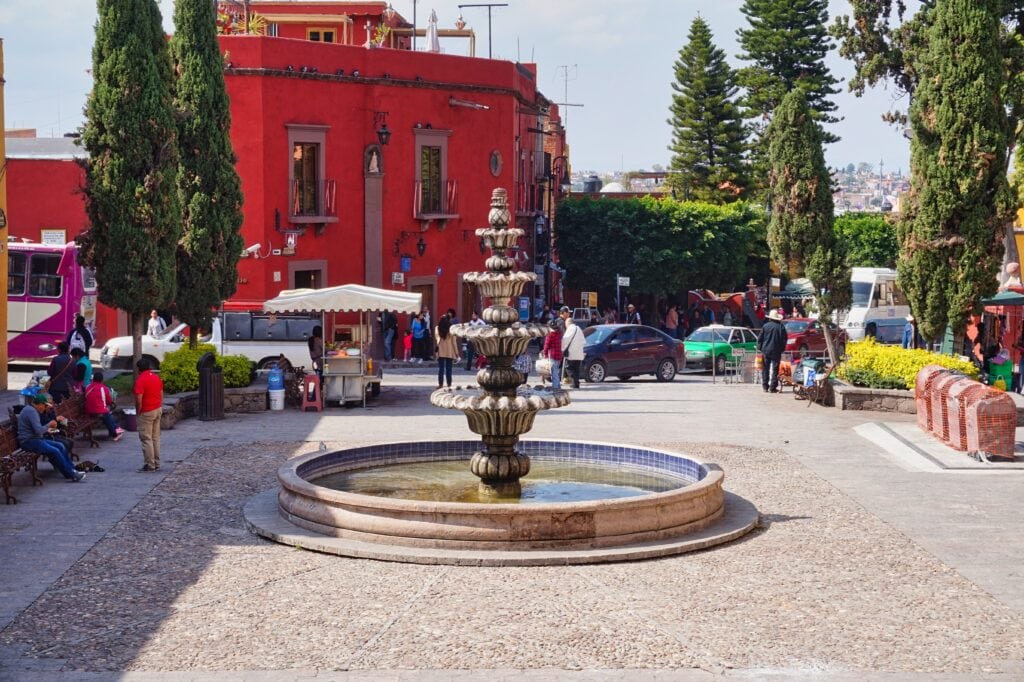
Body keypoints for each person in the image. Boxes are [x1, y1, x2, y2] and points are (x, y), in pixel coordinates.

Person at [18, 393, 84, 482]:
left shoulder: (35, 410)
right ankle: (72, 474)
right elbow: (39, 431)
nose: (47, 407)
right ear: (40, 404)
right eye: (46, 405)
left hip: (37, 438)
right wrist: (50, 425)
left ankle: (72, 469)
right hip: (29, 441)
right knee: (55, 450)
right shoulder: (32, 412)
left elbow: (52, 427)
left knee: (60, 445)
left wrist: (59, 423)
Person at [134, 357, 164, 473]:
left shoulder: (140, 381)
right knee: (155, 438)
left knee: (146, 438)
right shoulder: (156, 377)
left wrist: (138, 412)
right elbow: (161, 393)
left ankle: (150, 465)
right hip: (157, 409)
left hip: (146, 411)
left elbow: (139, 400)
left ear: (138, 369)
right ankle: (156, 463)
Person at [85, 371, 125, 441]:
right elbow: (109, 401)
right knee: (107, 415)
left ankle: (117, 430)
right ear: (102, 380)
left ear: (93, 379)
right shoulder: (103, 388)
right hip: (99, 411)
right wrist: (110, 403)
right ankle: (116, 432)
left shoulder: (88, 387)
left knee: (107, 415)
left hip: (89, 410)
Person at [758, 308, 788, 393]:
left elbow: (760, 338)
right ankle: (772, 387)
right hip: (776, 350)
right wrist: (782, 349)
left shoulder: (765, 326)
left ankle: (765, 386)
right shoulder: (780, 327)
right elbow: (784, 339)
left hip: (766, 350)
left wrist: (760, 348)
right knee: (775, 369)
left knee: (765, 369)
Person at [560, 306, 585, 389]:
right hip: (579, 353)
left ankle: (574, 381)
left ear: (568, 324)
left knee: (569, 368)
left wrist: (562, 349)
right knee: (577, 369)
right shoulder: (579, 328)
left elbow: (565, 340)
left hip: (572, 353)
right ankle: (576, 384)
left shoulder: (570, 329)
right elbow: (583, 341)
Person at [435, 316, 459, 389]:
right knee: (449, 369)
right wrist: (456, 353)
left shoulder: (437, 328)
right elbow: (454, 342)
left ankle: (440, 384)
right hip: (449, 351)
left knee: (441, 369)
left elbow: (436, 338)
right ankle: (449, 384)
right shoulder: (451, 330)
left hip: (441, 350)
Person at [542, 317, 564, 390]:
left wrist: (545, 354)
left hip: (553, 355)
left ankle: (556, 387)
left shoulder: (550, 335)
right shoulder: (559, 334)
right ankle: (557, 384)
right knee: (556, 371)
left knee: (554, 372)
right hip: (559, 355)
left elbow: (546, 345)